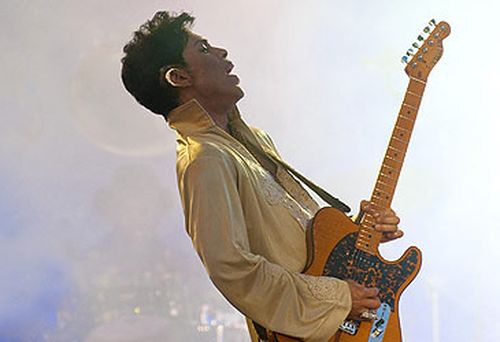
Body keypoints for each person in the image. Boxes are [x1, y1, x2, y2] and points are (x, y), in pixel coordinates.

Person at [121, 11, 404, 342]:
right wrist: (338, 298)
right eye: (204, 48)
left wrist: (362, 233)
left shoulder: (256, 141)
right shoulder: (204, 158)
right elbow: (232, 269)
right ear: (178, 77)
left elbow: (301, 244)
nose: (221, 52)